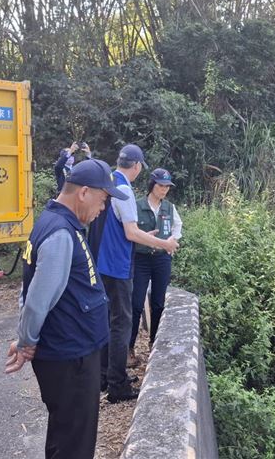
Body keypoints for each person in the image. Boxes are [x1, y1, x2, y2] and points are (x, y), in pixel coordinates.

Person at [4, 159, 127, 459]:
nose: (103, 209)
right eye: (103, 199)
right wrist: (26, 341)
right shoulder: (60, 232)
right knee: (74, 444)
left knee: (66, 436)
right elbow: (37, 298)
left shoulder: (57, 223)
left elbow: (32, 289)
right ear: (84, 193)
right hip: (70, 357)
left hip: (72, 354)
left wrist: (26, 336)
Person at [96, 144, 179, 403]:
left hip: (102, 262)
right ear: (138, 166)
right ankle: (117, 386)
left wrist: (148, 237)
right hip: (116, 265)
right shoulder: (124, 190)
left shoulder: (107, 179)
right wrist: (164, 244)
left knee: (110, 319)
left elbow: (123, 229)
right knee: (121, 323)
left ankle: (105, 375)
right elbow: (131, 233)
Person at [128, 168, 182, 364]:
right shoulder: (136, 206)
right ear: (152, 185)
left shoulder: (169, 208)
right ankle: (129, 347)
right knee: (135, 303)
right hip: (141, 259)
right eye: (161, 186)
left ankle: (154, 344)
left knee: (159, 303)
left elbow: (178, 227)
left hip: (161, 259)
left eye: (167, 186)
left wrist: (172, 241)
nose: (164, 190)